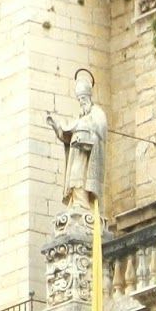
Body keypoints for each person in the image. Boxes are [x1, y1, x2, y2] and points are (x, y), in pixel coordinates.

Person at [47, 69, 107, 210]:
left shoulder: (97, 113)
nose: (81, 102)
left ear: (88, 98)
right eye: (79, 100)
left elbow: (101, 128)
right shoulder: (80, 117)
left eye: (83, 99)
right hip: (77, 153)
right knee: (74, 175)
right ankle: (77, 203)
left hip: (88, 154)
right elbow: (67, 135)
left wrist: (87, 131)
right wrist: (57, 127)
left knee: (80, 174)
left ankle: (83, 204)